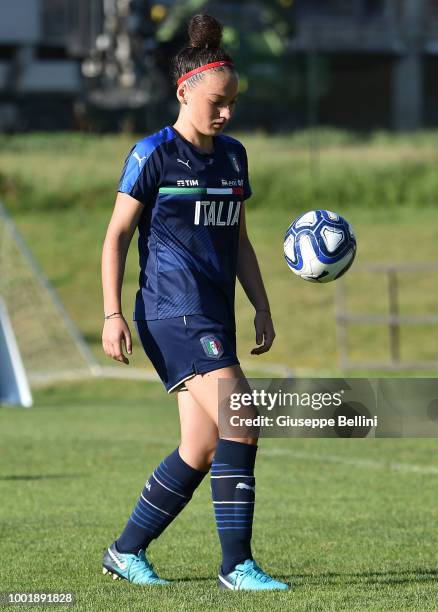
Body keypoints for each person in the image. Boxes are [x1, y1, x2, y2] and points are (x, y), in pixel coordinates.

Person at [100, 14, 289, 591]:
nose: (227, 112)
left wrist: (260, 304)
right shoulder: (152, 154)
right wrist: (111, 314)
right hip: (171, 311)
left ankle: (124, 551)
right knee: (244, 416)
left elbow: (240, 239)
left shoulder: (233, 157)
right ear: (184, 91)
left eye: (232, 102)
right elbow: (116, 236)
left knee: (201, 447)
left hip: (215, 314)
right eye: (217, 101)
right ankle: (237, 566)